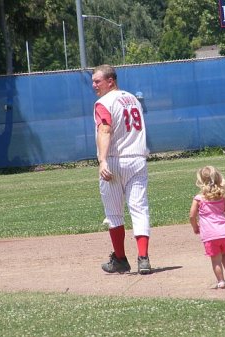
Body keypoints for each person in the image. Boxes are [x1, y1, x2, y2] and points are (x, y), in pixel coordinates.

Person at [92, 64, 152, 275]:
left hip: (115, 161)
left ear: (111, 81)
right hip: (137, 159)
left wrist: (102, 161)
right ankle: (143, 258)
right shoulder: (132, 98)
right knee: (139, 208)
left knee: (114, 213)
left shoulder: (103, 102)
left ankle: (120, 259)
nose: (94, 85)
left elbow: (105, 130)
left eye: (97, 81)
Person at [189, 166, 225, 288]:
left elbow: (192, 216)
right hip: (224, 232)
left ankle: (221, 281)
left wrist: (195, 227)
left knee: (215, 259)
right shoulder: (222, 196)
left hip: (210, 235)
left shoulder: (199, 199)